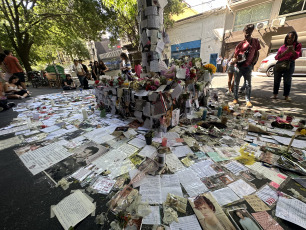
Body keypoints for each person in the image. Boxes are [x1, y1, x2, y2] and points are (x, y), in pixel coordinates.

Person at [232, 24, 261, 108]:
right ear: (244, 32)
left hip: (248, 67)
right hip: (238, 67)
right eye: (246, 32)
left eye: (249, 32)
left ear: (252, 32)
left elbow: (256, 53)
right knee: (236, 84)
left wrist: (253, 63)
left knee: (248, 84)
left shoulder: (255, 41)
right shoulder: (240, 45)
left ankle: (248, 100)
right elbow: (235, 56)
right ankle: (235, 98)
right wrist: (237, 58)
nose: (247, 34)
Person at [271, 31, 302, 101]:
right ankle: (275, 94)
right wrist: (285, 52)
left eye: (292, 38)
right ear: (286, 39)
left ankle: (286, 96)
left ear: (295, 38)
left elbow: (297, 55)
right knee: (276, 80)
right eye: (288, 38)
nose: (290, 40)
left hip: (289, 63)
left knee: (287, 80)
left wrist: (292, 51)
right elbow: (276, 57)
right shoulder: (282, 47)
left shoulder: (297, 45)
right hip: (279, 63)